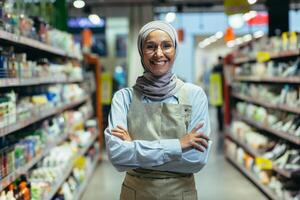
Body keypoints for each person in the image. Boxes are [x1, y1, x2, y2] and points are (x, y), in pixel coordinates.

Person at [105, 20, 212, 200]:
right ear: (141, 51)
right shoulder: (123, 98)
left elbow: (196, 159)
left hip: (180, 194)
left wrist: (134, 150)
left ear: (175, 49)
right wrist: (178, 145)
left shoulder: (195, 95)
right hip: (135, 194)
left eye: (166, 46)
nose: (159, 53)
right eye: (151, 46)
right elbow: (118, 156)